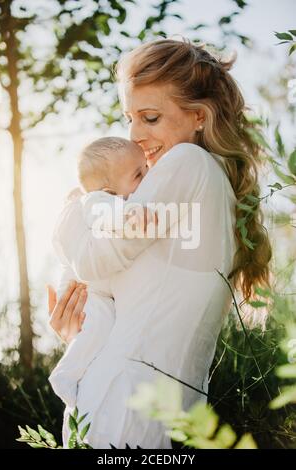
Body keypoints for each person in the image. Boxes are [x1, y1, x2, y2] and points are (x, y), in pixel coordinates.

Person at [48, 38, 272, 449]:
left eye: (150, 118)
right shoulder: (210, 187)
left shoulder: (186, 163)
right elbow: (136, 300)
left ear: (199, 117)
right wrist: (79, 333)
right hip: (151, 408)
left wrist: (72, 210)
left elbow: (91, 262)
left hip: (126, 405)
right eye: (129, 118)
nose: (134, 136)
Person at [48, 136, 157, 409]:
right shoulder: (98, 201)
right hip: (85, 290)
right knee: (98, 325)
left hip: (96, 287)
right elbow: (105, 214)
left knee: (102, 330)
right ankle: (66, 375)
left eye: (145, 167)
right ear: (109, 189)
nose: (148, 175)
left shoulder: (115, 196)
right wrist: (130, 216)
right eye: (138, 173)